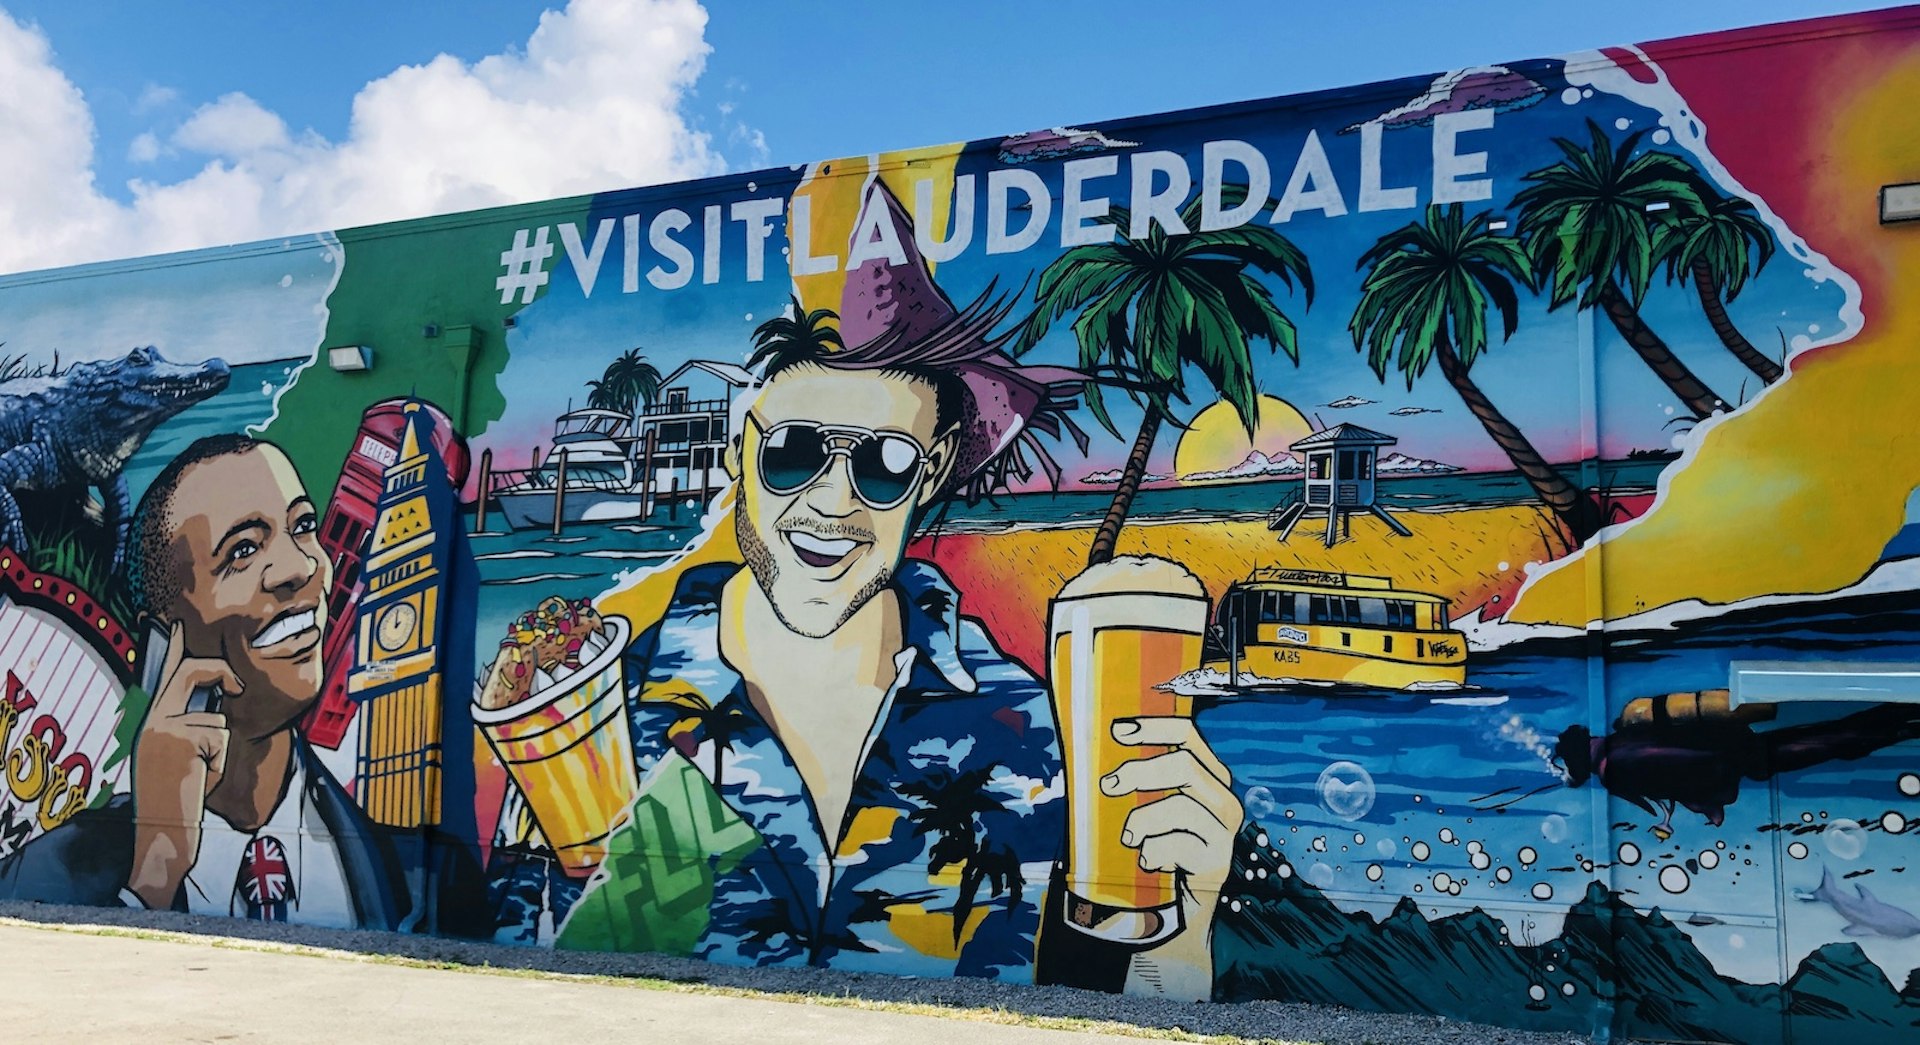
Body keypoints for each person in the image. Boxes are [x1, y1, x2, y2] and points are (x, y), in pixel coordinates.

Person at [488, 179, 1241, 997]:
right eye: (795, 451)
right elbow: (509, 959)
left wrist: (1183, 930)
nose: (832, 499)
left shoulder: (1021, 729)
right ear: (743, 452)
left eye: (884, 462)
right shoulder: (605, 711)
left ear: (935, 469)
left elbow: (1068, 994)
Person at [0, 434, 481, 932]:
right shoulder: (39, 876)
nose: (301, 567)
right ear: (163, 636)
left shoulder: (416, 869)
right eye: (244, 549)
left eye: (305, 526)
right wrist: (156, 872)